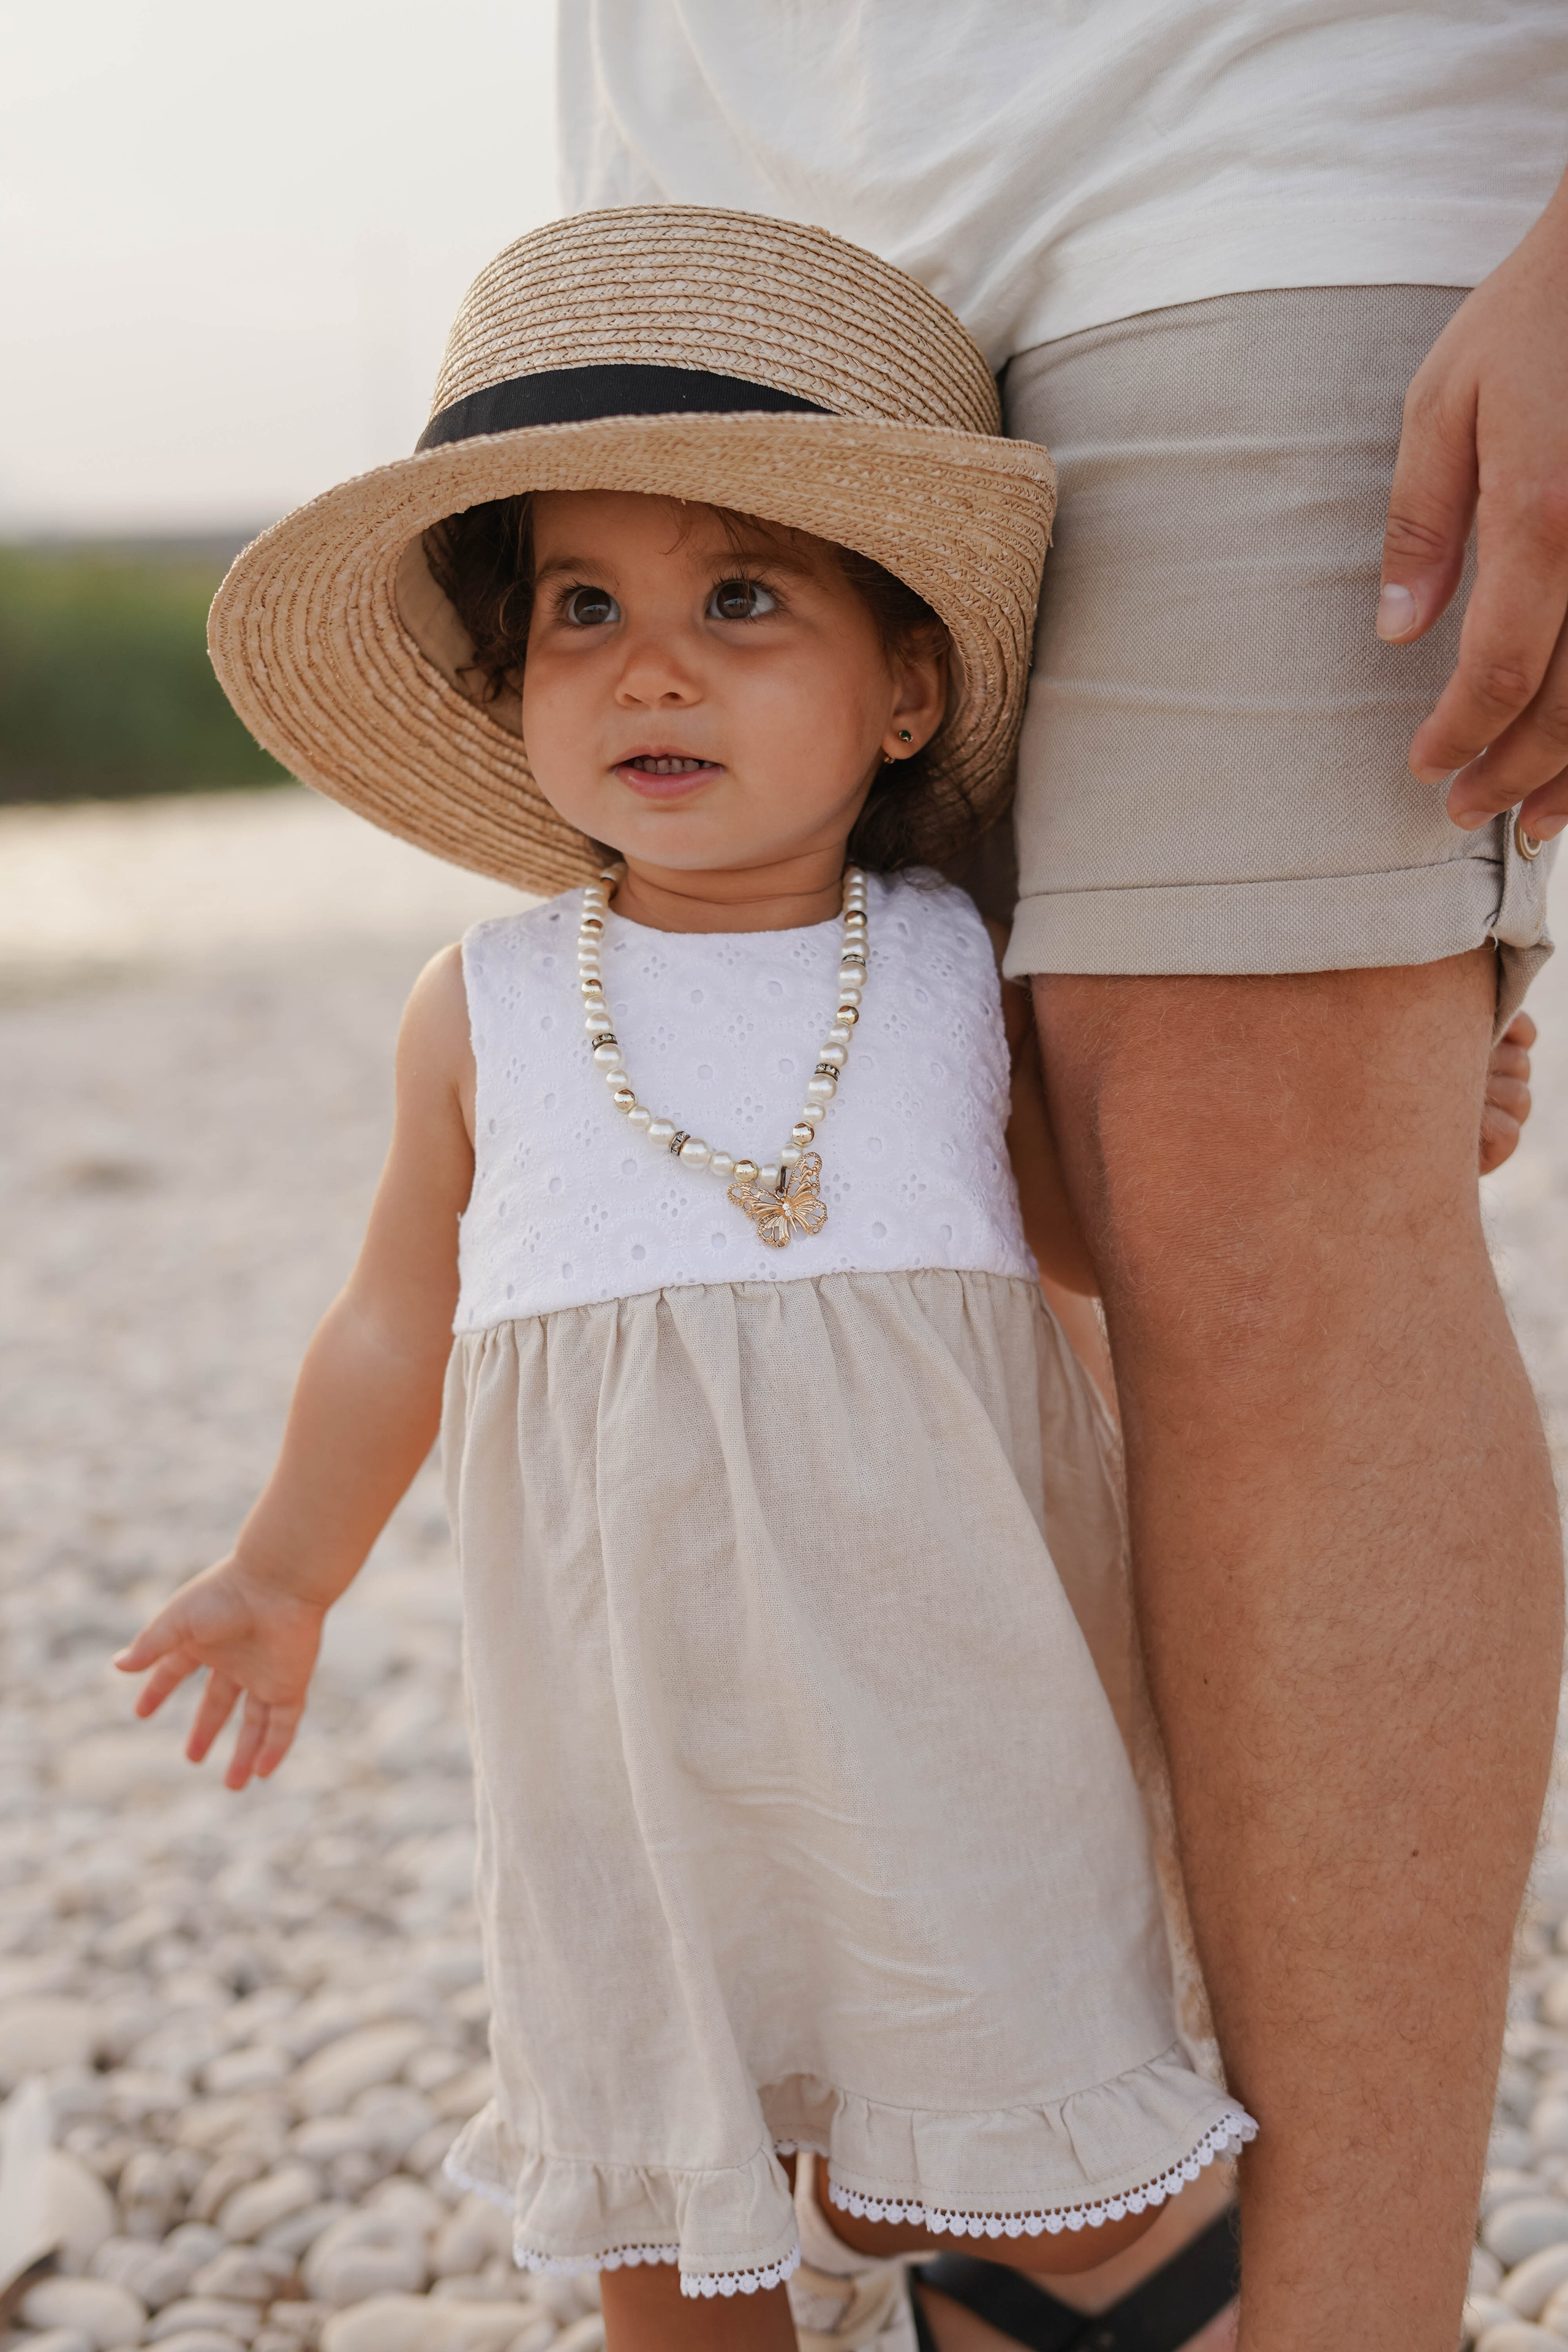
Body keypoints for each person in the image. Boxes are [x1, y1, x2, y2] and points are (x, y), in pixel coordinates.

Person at [115, 208, 1278, 2352]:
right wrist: (285, 1573)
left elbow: (1116, 1229)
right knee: (668, 2148)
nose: (651, 664)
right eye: (583, 608)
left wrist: (1391, 1123)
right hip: (627, 1720)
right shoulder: (487, 1005)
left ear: (906, 683)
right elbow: (395, 1315)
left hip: (956, 1685)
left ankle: (1044, 2283)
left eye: (741, 597)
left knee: (1016, 2031)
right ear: (518, 680)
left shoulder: (945, 973)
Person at [556, 10, 1568, 2348]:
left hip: (1310, 128)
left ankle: (1345, 2318)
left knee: (1268, 1195)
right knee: (892, 1186)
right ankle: (1051, 2174)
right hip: (722, 220)